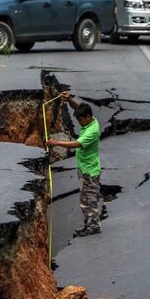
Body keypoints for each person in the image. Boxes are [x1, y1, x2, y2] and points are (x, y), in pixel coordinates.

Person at [46, 91, 102, 237]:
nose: (79, 122)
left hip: (89, 171)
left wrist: (57, 142)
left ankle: (93, 226)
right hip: (84, 169)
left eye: (80, 120)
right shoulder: (91, 120)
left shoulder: (93, 130)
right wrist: (69, 99)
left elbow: (77, 144)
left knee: (90, 199)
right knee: (85, 199)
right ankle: (89, 224)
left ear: (88, 117)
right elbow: (78, 108)